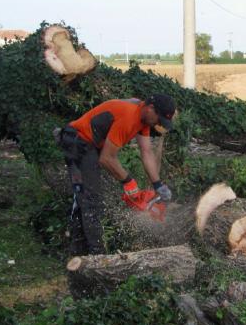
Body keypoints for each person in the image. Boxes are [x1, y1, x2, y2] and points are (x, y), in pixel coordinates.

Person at [59, 94, 176, 255]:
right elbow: (106, 159)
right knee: (91, 200)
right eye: (158, 118)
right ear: (150, 108)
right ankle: (97, 256)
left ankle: (79, 251)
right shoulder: (129, 116)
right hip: (77, 141)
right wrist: (128, 182)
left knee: (87, 197)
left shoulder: (144, 118)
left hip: (90, 144)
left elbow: (146, 152)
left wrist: (158, 185)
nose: (158, 123)